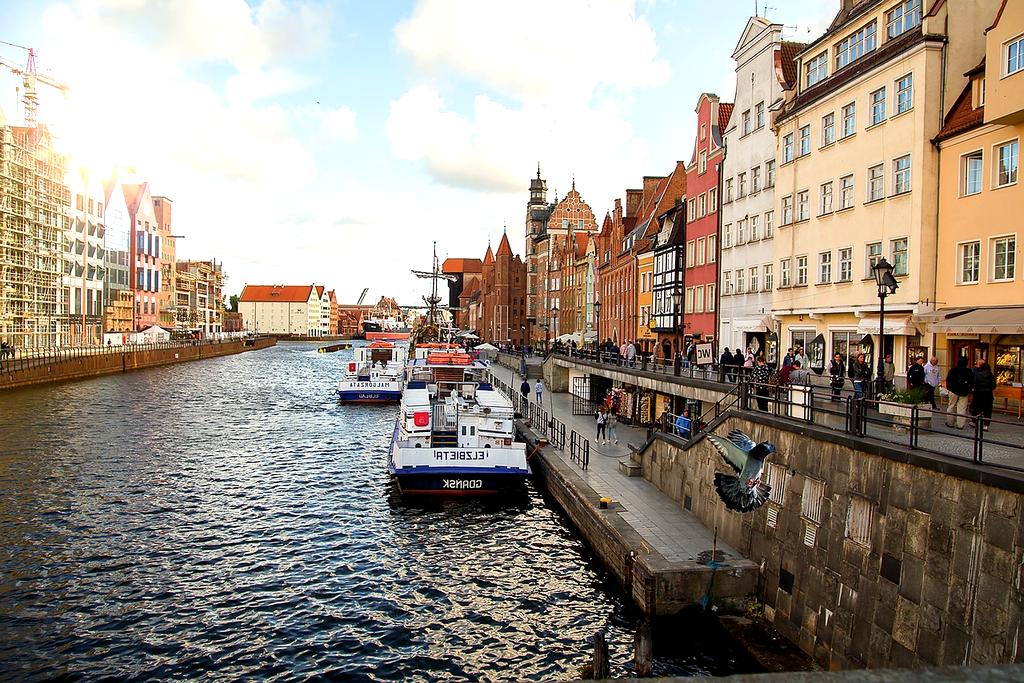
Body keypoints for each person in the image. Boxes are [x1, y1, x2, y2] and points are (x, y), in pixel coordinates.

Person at [945, 356, 974, 429]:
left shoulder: (953, 370)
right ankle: (960, 425)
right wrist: (969, 390)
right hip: (964, 392)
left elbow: (948, 380)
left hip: (953, 390)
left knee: (951, 406)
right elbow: (972, 382)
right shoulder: (968, 371)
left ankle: (950, 423)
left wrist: (949, 388)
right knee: (962, 409)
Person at [970, 359, 996, 431]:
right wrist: (989, 389)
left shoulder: (978, 375)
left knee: (976, 408)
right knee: (987, 410)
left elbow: (974, 384)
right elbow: (993, 385)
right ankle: (986, 425)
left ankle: (974, 422)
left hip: (978, 394)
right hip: (988, 394)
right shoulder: (991, 375)